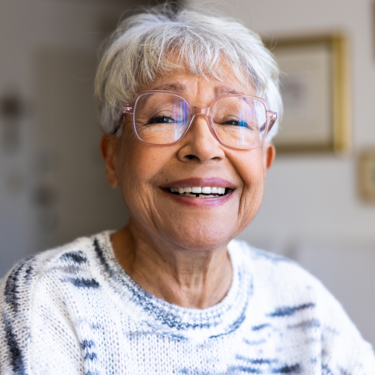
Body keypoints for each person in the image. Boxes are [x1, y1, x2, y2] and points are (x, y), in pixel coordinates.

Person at [0, 5, 374, 375]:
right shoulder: (43, 303)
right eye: (163, 116)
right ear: (112, 158)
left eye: (233, 119)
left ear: (265, 162)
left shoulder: (300, 303)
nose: (204, 146)